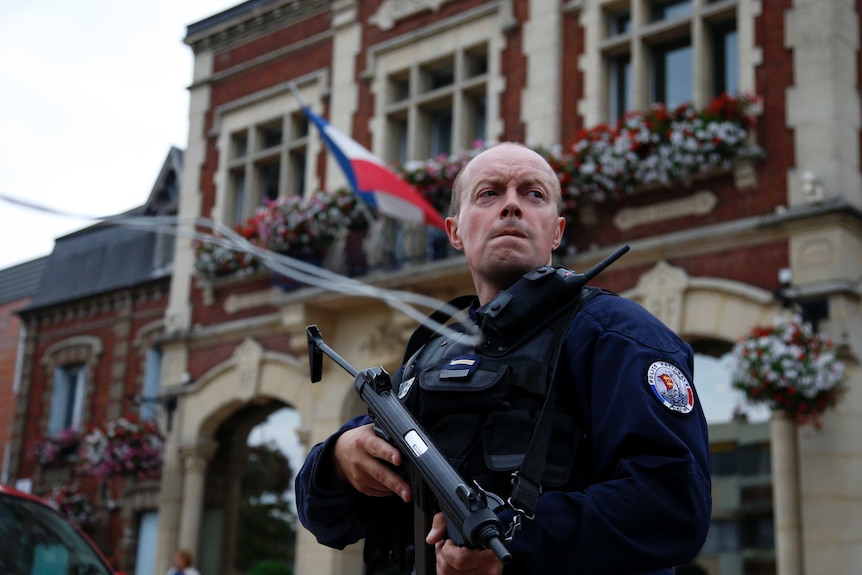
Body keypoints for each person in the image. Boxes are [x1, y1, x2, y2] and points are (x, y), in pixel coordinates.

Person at [295, 142, 711, 574]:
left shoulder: (617, 336)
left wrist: (514, 542)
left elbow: (673, 504)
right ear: (455, 232)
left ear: (557, 231)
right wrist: (339, 461)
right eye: (489, 193)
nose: (511, 205)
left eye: (533, 194)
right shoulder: (428, 353)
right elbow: (325, 520)